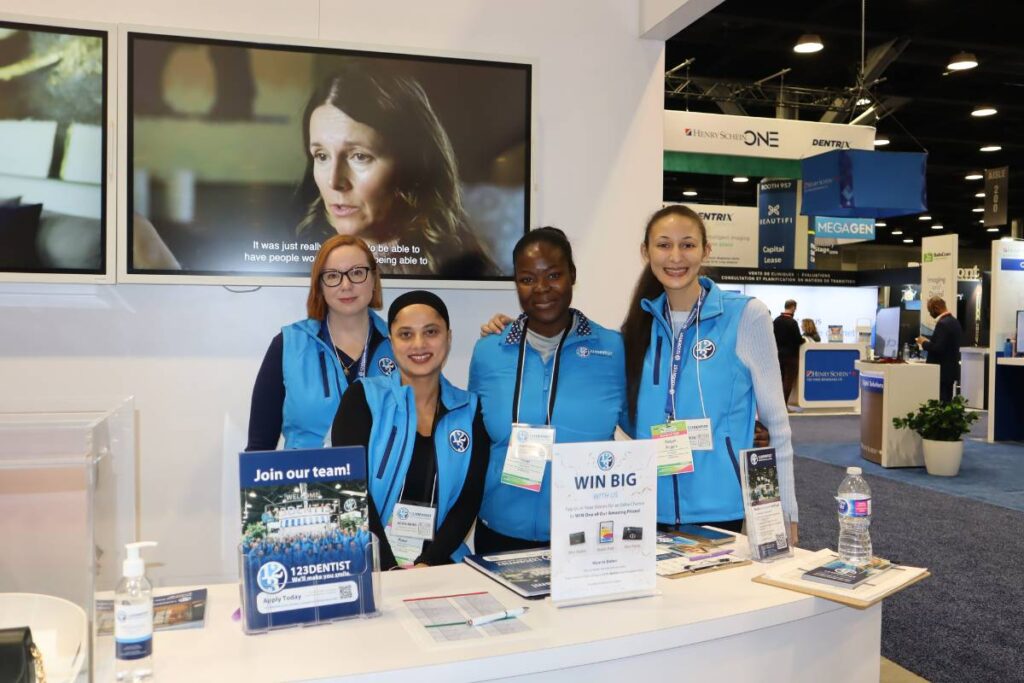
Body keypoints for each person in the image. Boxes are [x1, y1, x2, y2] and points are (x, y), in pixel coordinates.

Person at [621, 205, 798, 543]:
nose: (676, 257)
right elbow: (628, 415)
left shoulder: (746, 316)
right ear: (646, 252)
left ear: (706, 250)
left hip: (722, 508)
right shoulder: (636, 328)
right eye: (663, 245)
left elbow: (778, 425)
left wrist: (785, 514)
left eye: (687, 244)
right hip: (646, 507)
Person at [469, 228, 626, 553]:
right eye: (527, 279)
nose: (541, 288)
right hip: (500, 534)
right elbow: (477, 438)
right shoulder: (489, 351)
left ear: (572, 275)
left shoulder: (612, 350)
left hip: (588, 537)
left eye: (553, 275)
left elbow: (647, 424)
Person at [332, 291, 490, 569]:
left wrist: (427, 564)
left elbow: (468, 500)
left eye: (431, 332)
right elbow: (351, 491)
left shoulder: (469, 409)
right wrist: (390, 568)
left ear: (448, 337)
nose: (419, 344)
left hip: (440, 563)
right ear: (392, 343)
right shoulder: (363, 399)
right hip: (370, 564)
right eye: (406, 334)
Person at [295, 63, 498, 277]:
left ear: (414, 164)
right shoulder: (303, 263)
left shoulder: (465, 269)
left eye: (360, 156)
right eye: (322, 156)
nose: (334, 182)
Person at [246, 234, 395, 451]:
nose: (346, 285)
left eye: (357, 273)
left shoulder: (399, 344)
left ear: (374, 279)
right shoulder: (288, 345)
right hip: (307, 481)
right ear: (320, 285)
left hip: (381, 484)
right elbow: (259, 447)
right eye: (333, 276)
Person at [916, 296, 962, 402]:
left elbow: (938, 348)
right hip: (950, 371)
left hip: (941, 372)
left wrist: (923, 342)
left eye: (930, 311)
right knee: (947, 403)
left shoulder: (942, 324)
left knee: (941, 403)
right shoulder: (954, 322)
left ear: (936, 308)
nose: (930, 314)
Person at [773, 299, 804, 405]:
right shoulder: (792, 322)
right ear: (793, 307)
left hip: (778, 355)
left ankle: (777, 404)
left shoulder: (776, 320)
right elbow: (798, 340)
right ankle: (784, 404)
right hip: (791, 356)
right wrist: (804, 340)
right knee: (788, 381)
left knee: (779, 380)